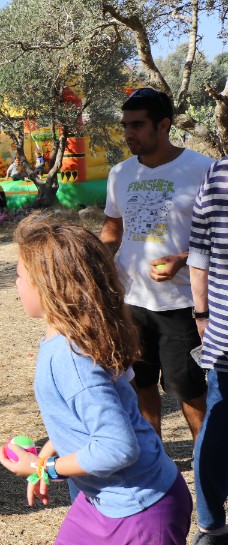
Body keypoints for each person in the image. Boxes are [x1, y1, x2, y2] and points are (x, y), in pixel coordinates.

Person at [2, 215, 191, 545]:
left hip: (139, 508)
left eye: (20, 275)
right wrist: (55, 445)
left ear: (49, 287)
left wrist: (44, 468)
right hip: (101, 503)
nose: (15, 284)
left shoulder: (71, 358)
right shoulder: (76, 336)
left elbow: (117, 447)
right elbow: (99, 415)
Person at [100, 87, 214, 440]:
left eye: (137, 125)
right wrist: (94, 271)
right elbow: (113, 229)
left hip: (182, 306)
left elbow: (219, 237)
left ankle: (207, 462)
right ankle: (154, 459)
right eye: (125, 125)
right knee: (140, 383)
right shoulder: (120, 173)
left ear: (163, 125)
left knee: (189, 391)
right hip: (131, 301)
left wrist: (182, 259)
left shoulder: (202, 170)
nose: (128, 134)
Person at [187, 156, 228, 545]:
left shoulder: (218, 174)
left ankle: (212, 525)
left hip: (225, 329)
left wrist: (202, 315)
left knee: (217, 424)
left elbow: (198, 256)